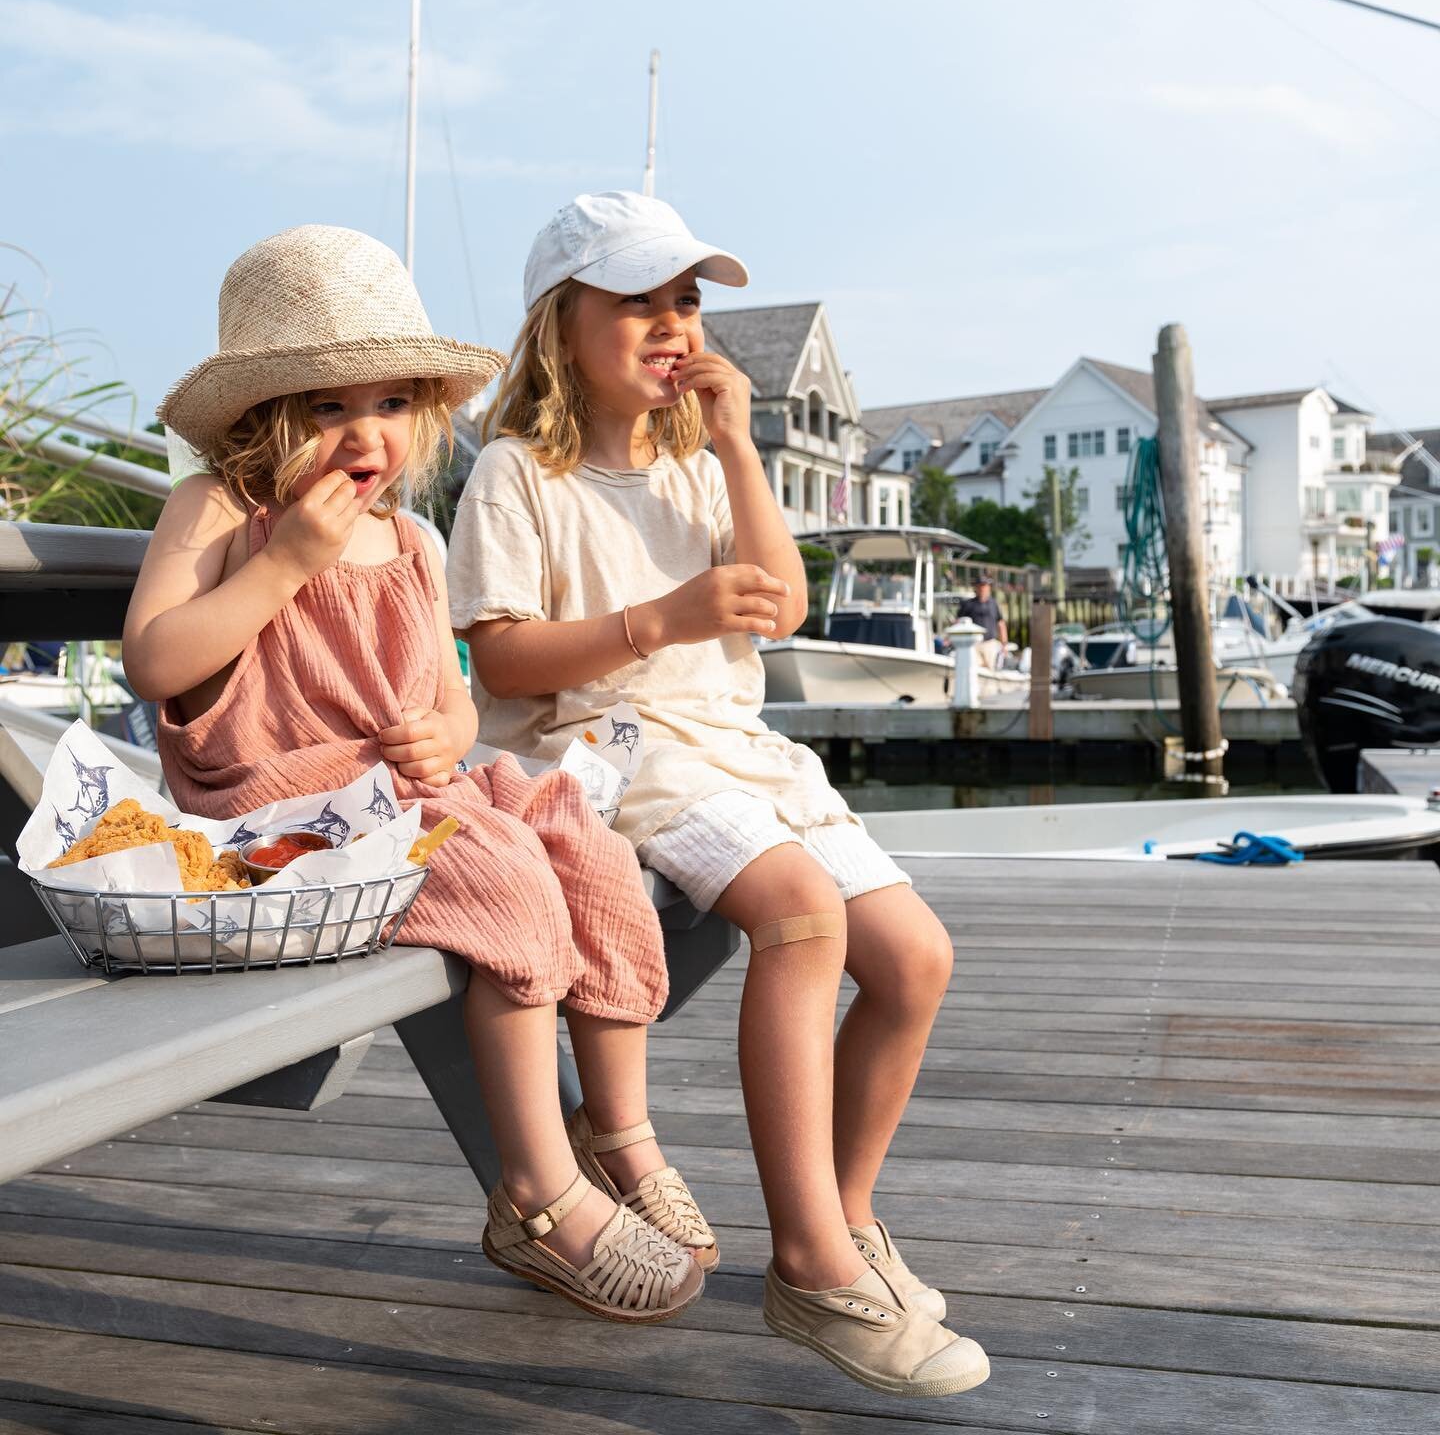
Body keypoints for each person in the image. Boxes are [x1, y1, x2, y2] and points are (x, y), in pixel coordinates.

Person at [449, 192, 989, 1398]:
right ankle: (807, 1259)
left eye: (685, 301)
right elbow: (501, 658)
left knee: (916, 960)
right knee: (802, 914)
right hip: (617, 747)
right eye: (637, 300)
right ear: (561, 322)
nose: (671, 324)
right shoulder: (515, 473)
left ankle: (842, 1232)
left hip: (741, 746)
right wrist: (661, 618)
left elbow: (783, 606)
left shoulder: (700, 464)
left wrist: (741, 446)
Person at [122, 225, 712, 1325]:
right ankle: (533, 1194)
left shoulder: (414, 543)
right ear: (262, 421)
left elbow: (448, 690)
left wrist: (444, 732)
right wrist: (287, 561)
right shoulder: (222, 513)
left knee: (580, 841)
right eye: (331, 408)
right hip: (273, 807)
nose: (367, 435)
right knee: (503, 877)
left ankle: (618, 1135)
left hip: (395, 795)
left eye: (392, 406)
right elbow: (156, 661)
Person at [956, 576, 1007, 670]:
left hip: (990, 643)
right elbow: (958, 622)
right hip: (973, 644)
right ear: (976, 587)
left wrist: (1004, 644)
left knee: (991, 670)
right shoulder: (968, 604)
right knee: (973, 670)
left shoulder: (993, 604)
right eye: (980, 586)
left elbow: (1001, 623)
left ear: (989, 587)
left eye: (984, 586)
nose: (982, 588)